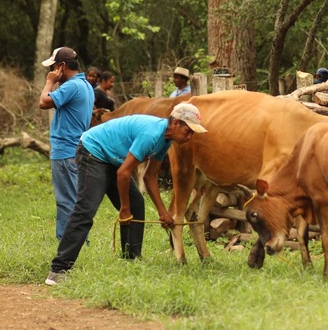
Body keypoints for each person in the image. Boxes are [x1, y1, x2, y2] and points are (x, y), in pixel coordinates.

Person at [45, 102, 208, 286]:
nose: (190, 137)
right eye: (188, 131)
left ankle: (131, 261)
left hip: (113, 159)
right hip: (93, 152)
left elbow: (150, 177)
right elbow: (123, 173)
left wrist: (163, 212)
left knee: (137, 204)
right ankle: (58, 270)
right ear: (176, 123)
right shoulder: (151, 134)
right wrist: (124, 208)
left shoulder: (166, 140)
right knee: (85, 211)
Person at [39, 47, 95, 240]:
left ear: (62, 66)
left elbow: (44, 102)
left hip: (65, 151)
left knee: (66, 201)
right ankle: (79, 242)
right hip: (76, 150)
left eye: (53, 67)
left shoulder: (70, 86)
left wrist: (49, 83)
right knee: (75, 200)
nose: (52, 71)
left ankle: (68, 245)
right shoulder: (85, 85)